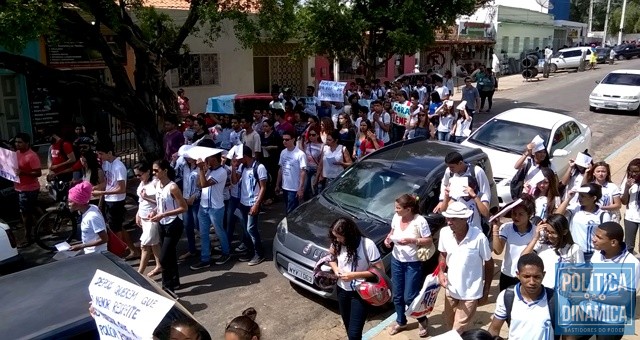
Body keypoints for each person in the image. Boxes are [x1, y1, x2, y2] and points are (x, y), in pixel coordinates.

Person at [438, 202, 493, 333]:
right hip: (451, 289)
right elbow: (443, 254)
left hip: (471, 292)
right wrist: (441, 272)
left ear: (465, 219)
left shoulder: (479, 237)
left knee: (457, 330)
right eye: (448, 218)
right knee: (449, 324)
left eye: (453, 219)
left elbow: (489, 263)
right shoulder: (444, 233)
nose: (449, 222)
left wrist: (486, 290)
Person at [384, 194, 432, 337]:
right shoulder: (396, 218)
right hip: (397, 260)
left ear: (408, 209)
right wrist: (388, 239)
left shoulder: (420, 221)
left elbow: (428, 240)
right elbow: (392, 232)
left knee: (409, 297)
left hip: (413, 262)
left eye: (398, 208)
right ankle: (401, 321)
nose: (396, 211)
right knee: (397, 295)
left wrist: (412, 240)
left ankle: (422, 319)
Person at [582, 221, 640, 340]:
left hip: (611, 318)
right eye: (595, 235)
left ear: (613, 242)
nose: (593, 239)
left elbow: (625, 299)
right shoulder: (598, 253)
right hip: (589, 310)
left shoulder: (631, 263)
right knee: (569, 336)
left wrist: (592, 296)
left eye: (599, 237)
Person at [328, 217, 384, 340]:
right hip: (342, 290)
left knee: (354, 333)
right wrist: (336, 269)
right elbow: (330, 258)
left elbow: (380, 271)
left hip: (361, 293)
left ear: (349, 234)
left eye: (340, 237)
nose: (337, 240)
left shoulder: (367, 245)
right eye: (335, 237)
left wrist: (354, 275)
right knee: (348, 328)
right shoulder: (337, 243)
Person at [488, 253, 556, 340]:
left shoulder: (554, 299)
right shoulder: (507, 296)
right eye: (526, 276)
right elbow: (494, 329)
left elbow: (567, 335)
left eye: (537, 277)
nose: (532, 282)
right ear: (518, 275)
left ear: (543, 275)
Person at [93, 143, 140, 259]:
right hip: (109, 200)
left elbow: (121, 189)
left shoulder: (118, 167)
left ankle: (119, 253)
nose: (99, 156)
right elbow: (108, 183)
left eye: (101, 154)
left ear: (109, 153)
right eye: (98, 154)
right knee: (117, 227)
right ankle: (131, 249)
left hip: (116, 201)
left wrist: (102, 193)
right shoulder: (107, 164)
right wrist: (97, 188)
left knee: (116, 229)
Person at [149, 159, 188, 292]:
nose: (154, 173)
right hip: (162, 223)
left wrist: (164, 214)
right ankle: (175, 280)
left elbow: (184, 207)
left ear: (165, 170)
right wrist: (154, 211)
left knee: (164, 257)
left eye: (156, 170)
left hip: (174, 223)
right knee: (169, 254)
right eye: (153, 170)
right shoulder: (157, 185)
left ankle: (167, 288)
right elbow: (159, 204)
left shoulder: (173, 187)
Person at [521, 214, 583, 288]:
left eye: (553, 232)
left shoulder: (574, 249)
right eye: (547, 231)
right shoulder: (541, 245)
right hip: (541, 290)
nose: (549, 235)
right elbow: (523, 258)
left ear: (564, 232)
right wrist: (535, 238)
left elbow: (581, 273)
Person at [192, 150, 230, 269]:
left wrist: (201, 169)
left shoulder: (221, 172)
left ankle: (226, 252)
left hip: (216, 207)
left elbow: (204, 184)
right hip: (204, 206)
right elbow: (199, 184)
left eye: (208, 157)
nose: (206, 159)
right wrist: (202, 170)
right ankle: (205, 258)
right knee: (203, 234)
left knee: (219, 231)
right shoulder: (208, 170)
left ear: (214, 158)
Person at [555, 183, 612, 263]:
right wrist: (568, 199)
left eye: (583, 196)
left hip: (591, 255)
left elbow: (606, 237)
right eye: (579, 195)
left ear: (593, 198)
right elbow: (557, 216)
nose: (579, 198)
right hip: (573, 252)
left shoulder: (603, 215)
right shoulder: (575, 208)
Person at [231, 145, 268, 266]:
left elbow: (263, 187)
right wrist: (233, 167)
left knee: (251, 228)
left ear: (245, 157)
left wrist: (257, 204)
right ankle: (251, 250)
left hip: (253, 203)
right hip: (243, 203)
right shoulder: (242, 167)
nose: (238, 160)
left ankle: (259, 253)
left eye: (240, 158)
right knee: (246, 229)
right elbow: (235, 181)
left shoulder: (259, 167)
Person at [491, 195, 536, 291]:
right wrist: (495, 230)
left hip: (525, 276)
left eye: (520, 214)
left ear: (529, 214)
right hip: (507, 274)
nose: (516, 217)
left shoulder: (536, 231)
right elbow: (498, 251)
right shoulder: (507, 228)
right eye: (514, 213)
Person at [133, 162, 162, 276]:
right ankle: (160, 265)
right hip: (144, 217)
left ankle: (139, 273)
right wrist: (138, 213)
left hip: (152, 218)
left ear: (148, 172)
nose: (138, 177)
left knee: (144, 245)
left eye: (140, 175)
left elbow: (160, 202)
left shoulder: (155, 183)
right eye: (136, 175)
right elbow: (141, 201)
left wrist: (147, 197)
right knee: (154, 243)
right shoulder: (141, 183)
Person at [14, 132, 43, 247]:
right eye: (16, 142)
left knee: (25, 213)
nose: (17, 144)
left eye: (20, 142)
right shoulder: (16, 154)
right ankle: (46, 226)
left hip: (29, 189)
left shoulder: (32, 156)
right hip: (18, 187)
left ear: (27, 143)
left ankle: (28, 237)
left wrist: (23, 173)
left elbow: (38, 173)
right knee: (33, 208)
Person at [68, 181, 108, 254]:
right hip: (91, 253)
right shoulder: (92, 207)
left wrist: (81, 246)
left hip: (97, 254)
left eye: (70, 201)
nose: (68, 204)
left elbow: (104, 239)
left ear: (79, 202)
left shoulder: (92, 217)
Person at [276, 131, 307, 214]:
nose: (284, 141)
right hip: (285, 187)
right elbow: (280, 169)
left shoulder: (300, 154)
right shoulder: (283, 152)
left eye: (287, 139)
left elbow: (303, 172)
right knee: (287, 209)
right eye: (283, 139)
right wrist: (277, 184)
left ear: (293, 139)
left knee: (291, 212)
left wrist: (300, 188)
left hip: (294, 188)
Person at [621, 158, 640, 253]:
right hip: (631, 217)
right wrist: (627, 187)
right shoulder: (628, 181)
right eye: (631, 171)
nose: (633, 174)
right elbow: (624, 201)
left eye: (636, 171)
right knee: (629, 245)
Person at [303, 125, 322, 200]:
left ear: (318, 135)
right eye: (310, 135)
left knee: (314, 190)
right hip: (307, 169)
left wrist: (319, 174)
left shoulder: (322, 146)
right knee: (305, 190)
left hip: (315, 170)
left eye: (313, 135)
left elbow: (321, 162)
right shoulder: (307, 144)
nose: (311, 136)